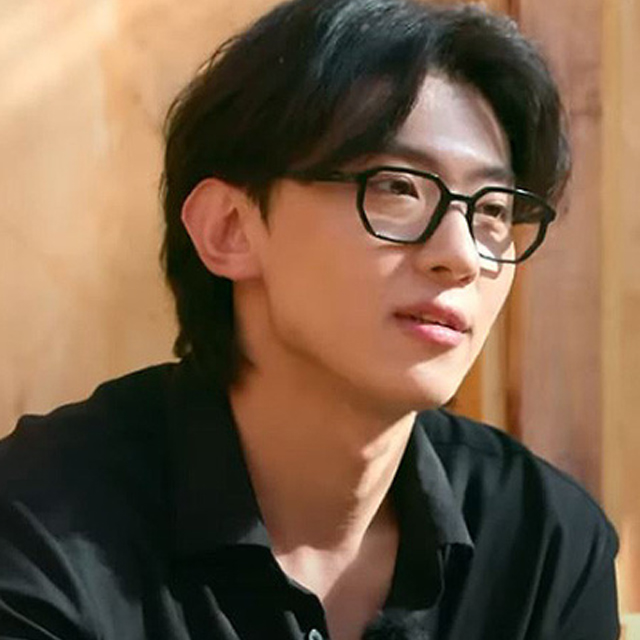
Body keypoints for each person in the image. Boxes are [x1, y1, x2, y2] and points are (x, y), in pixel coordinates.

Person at [0, 0, 619, 638]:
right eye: (398, 187)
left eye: (492, 210)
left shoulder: (544, 544)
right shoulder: (39, 523)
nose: (462, 256)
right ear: (230, 228)